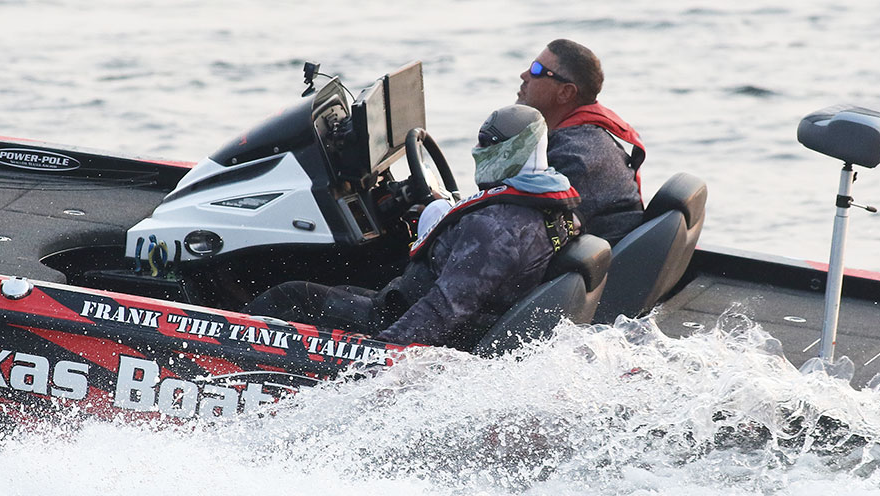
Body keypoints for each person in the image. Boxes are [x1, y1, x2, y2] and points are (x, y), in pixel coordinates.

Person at [242, 105, 581, 350]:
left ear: (513, 150)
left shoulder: (496, 227)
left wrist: (377, 352)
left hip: (403, 320)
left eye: (487, 143)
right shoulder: (546, 204)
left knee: (290, 297)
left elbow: (445, 309)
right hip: (409, 302)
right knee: (338, 287)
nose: (477, 150)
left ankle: (230, 366)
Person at [517, 39, 646, 246]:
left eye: (536, 70)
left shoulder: (574, 156)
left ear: (565, 92)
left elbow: (521, 238)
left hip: (605, 264)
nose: (524, 76)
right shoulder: (587, 138)